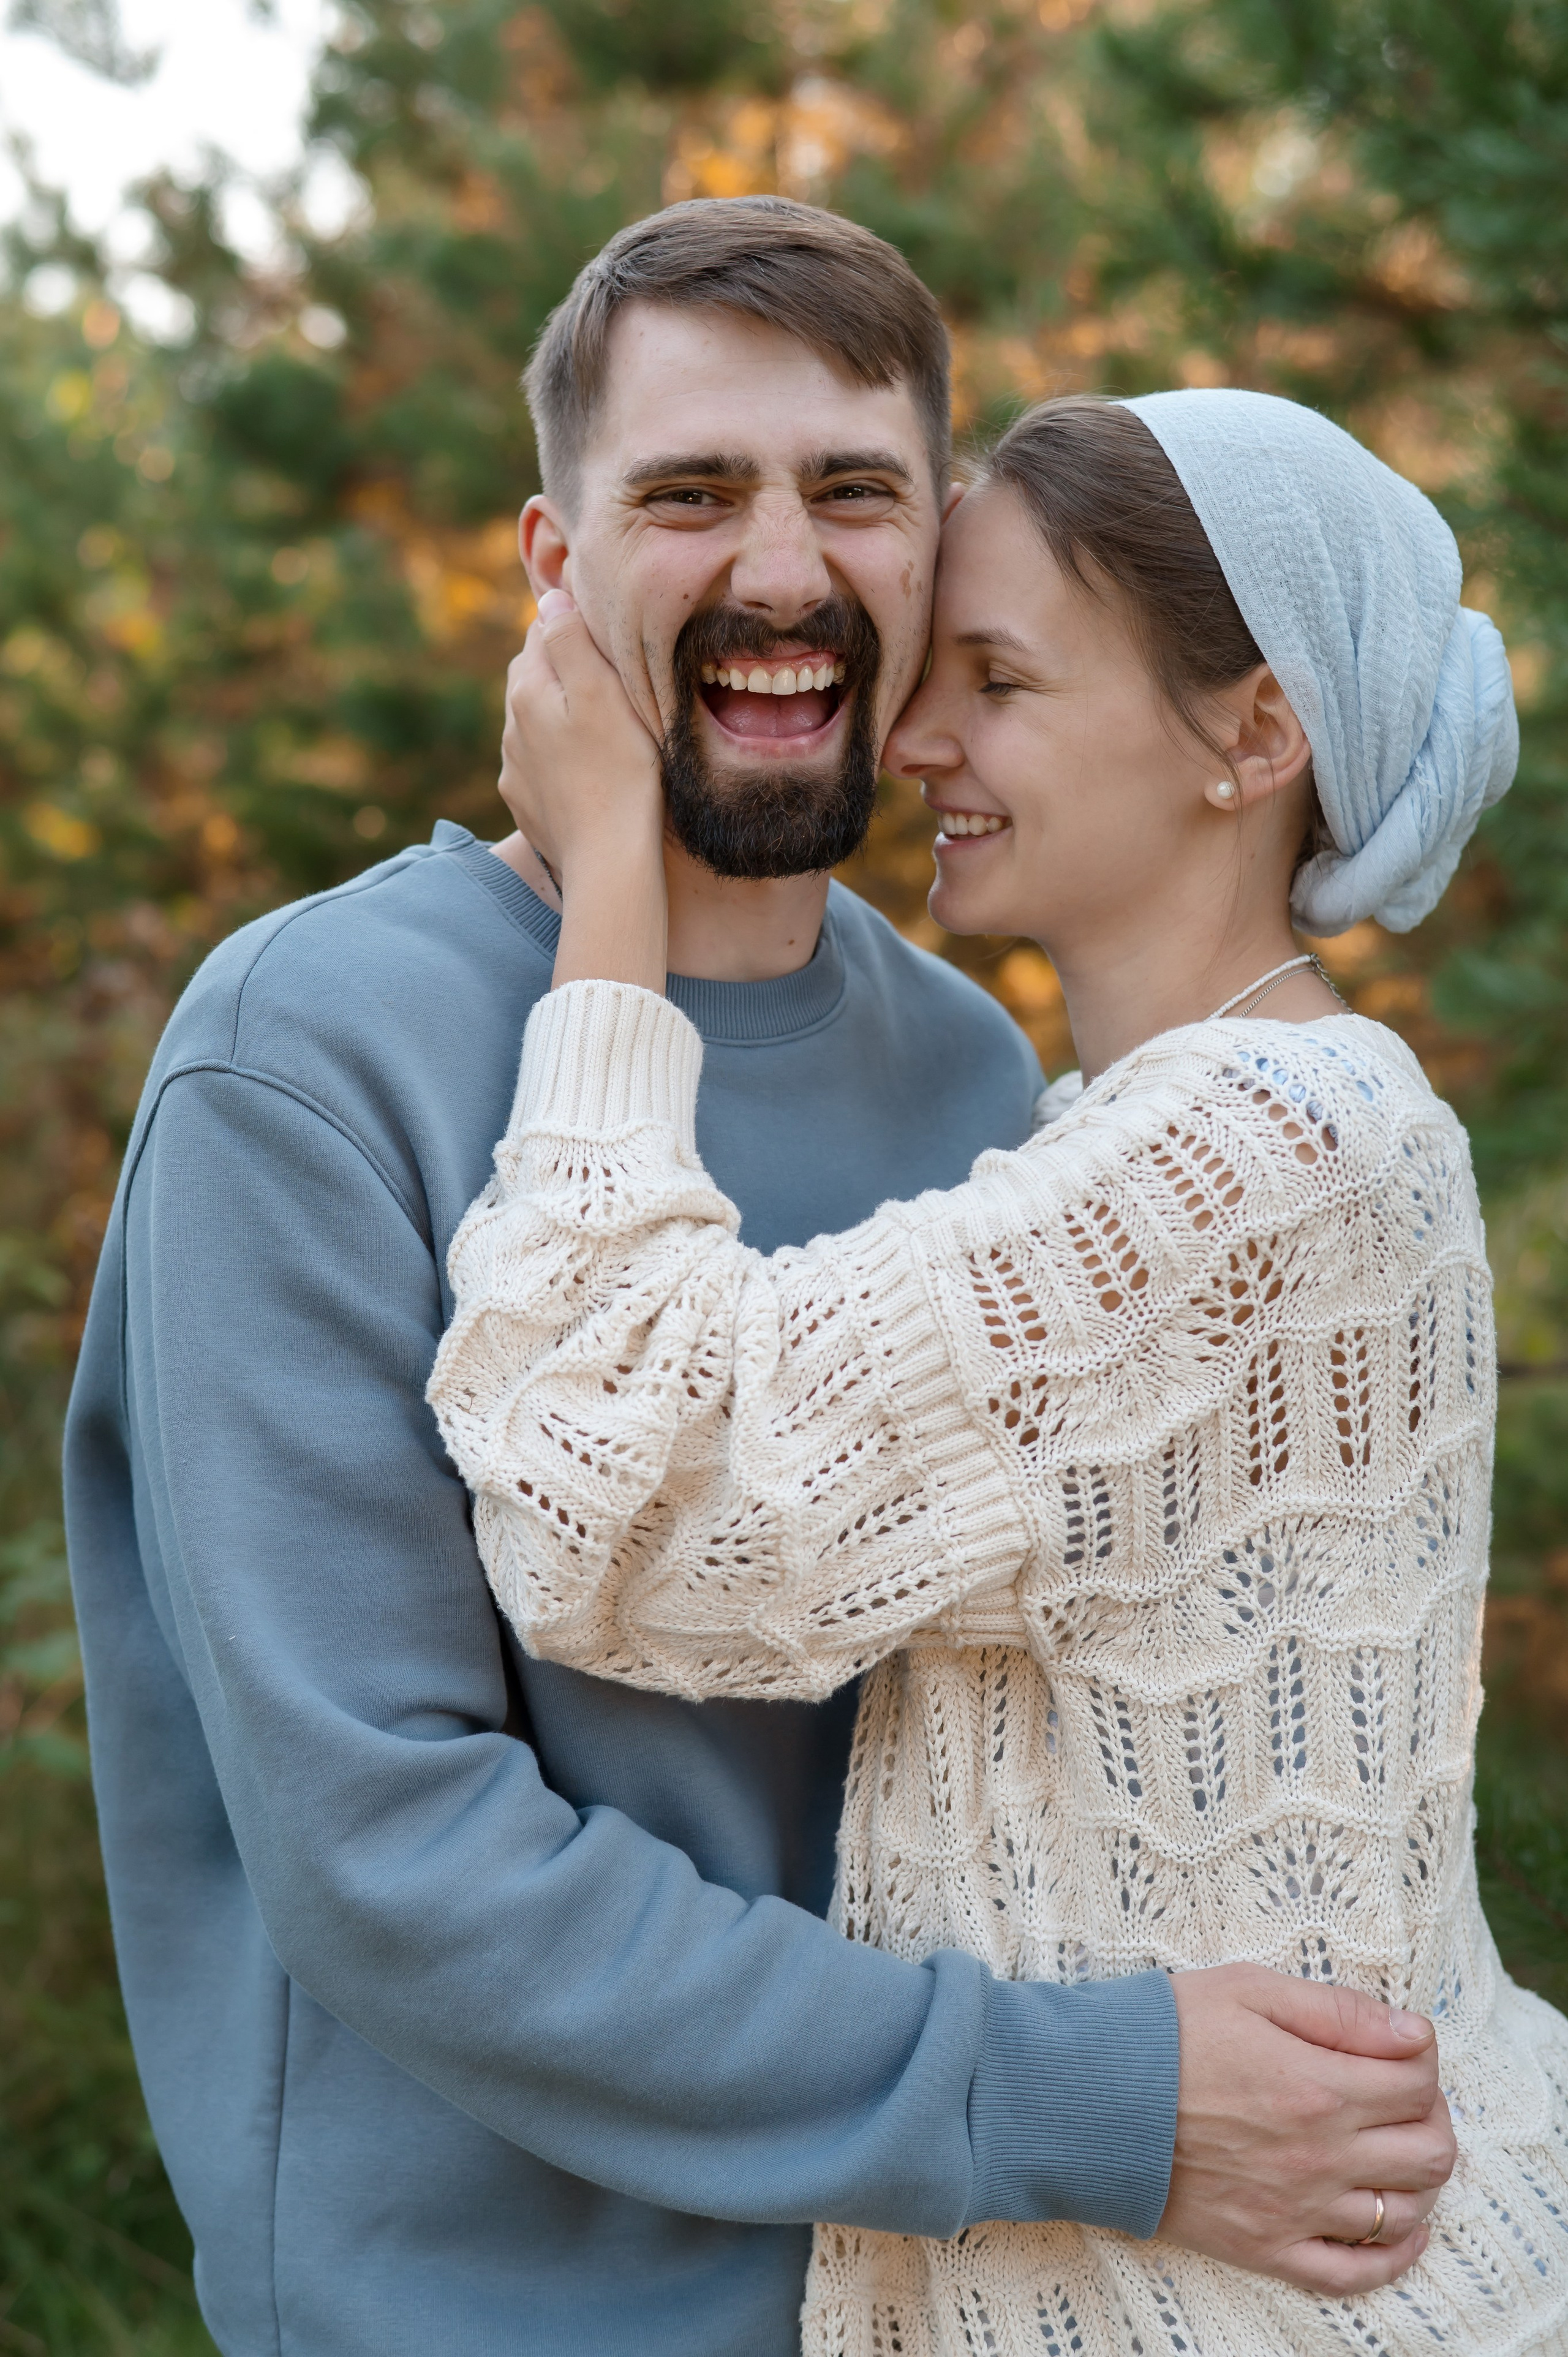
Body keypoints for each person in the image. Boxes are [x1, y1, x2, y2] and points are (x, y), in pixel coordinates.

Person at [65, 200, 1451, 2357]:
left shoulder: (984, 1065)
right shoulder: (301, 1057)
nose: (785, 570)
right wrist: (1064, 2095)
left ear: (933, 553)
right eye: (693, 493)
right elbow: (394, 1852)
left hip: (978, 2296)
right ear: (552, 568)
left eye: (858, 493)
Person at [428, 382, 1566, 2356]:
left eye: (1002, 681)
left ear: (1255, 737)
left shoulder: (1253, 1158)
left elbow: (616, 1503)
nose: (920, 737)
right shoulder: (1159, 1139)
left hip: (1243, 2312)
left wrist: (607, 878)